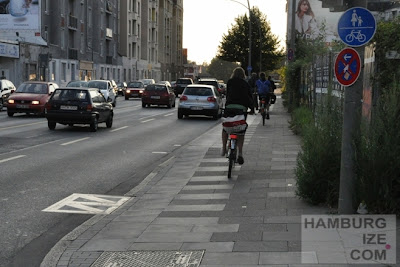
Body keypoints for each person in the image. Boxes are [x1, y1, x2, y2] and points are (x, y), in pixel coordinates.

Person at [221, 67, 253, 165]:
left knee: (225, 128)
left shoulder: (230, 82)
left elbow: (227, 95)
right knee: (241, 131)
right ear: (243, 75)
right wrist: (252, 109)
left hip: (229, 108)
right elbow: (249, 97)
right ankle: (240, 153)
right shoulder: (246, 84)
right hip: (241, 109)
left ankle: (223, 148)